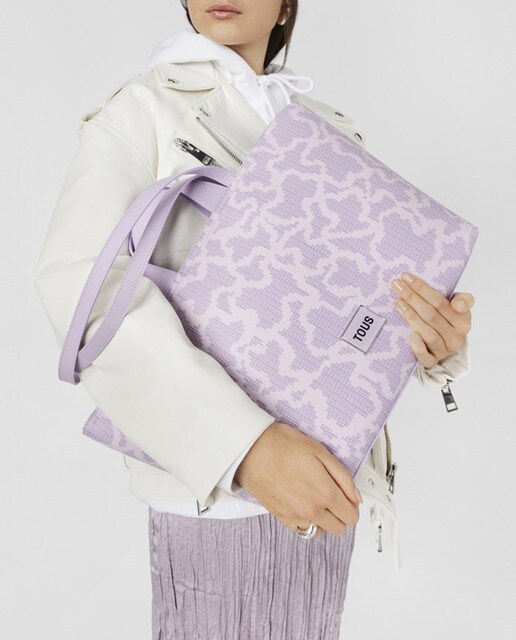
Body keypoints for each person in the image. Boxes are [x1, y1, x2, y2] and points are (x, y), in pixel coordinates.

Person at [33, 1, 475, 638]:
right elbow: (82, 287)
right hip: (215, 485)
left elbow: (345, 304)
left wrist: (432, 343)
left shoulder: (328, 127)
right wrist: (244, 447)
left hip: (328, 480)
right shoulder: (143, 110)